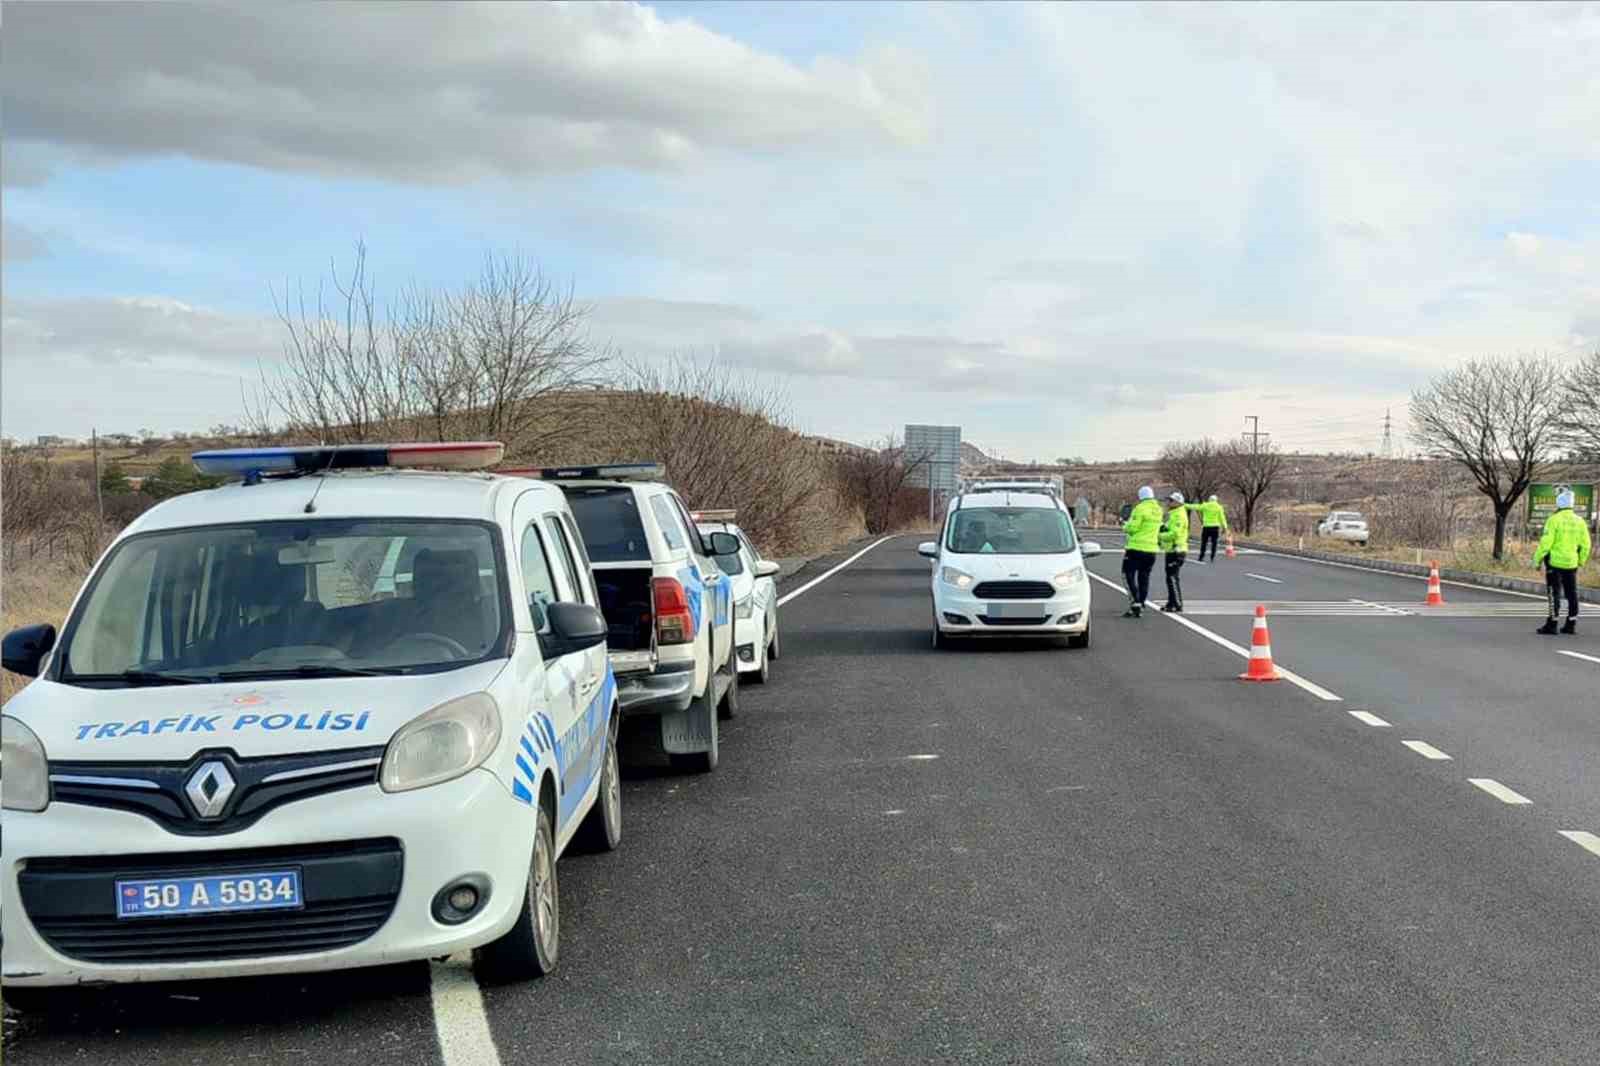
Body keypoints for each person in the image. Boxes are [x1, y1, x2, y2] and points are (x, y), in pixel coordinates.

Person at [1534, 489, 1591, 635]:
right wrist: (1581, 560)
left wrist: (1537, 560)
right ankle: (1571, 624)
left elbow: (1546, 543)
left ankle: (1552, 625)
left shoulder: (1554, 520)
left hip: (1554, 563)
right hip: (1571, 563)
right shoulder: (1580, 522)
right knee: (1572, 593)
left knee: (1554, 593)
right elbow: (1586, 544)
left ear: (1559, 504)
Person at [1121, 486, 1162, 617]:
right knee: (1144, 577)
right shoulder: (1158, 510)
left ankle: (1136, 602)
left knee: (1127, 575)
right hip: (1151, 550)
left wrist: (1125, 525)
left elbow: (1133, 528)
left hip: (1136, 548)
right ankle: (1142, 603)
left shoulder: (1139, 509)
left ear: (1140, 496)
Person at [1158, 491, 1189, 613]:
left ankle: (1177, 603)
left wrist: (1160, 536)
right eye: (1168, 500)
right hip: (1170, 550)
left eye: (1171, 501)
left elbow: (1174, 534)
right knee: (1169, 577)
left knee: (1172, 577)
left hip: (1177, 550)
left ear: (1177, 503)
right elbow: (1168, 528)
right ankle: (1171, 603)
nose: (1168, 503)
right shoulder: (1173, 514)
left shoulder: (1179, 515)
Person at [1188, 493, 1229, 563]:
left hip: (1206, 527)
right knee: (1214, 543)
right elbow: (1222, 518)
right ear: (1216, 500)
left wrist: (1185, 505)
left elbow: (1196, 506)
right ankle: (1212, 556)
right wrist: (1225, 527)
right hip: (1215, 527)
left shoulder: (1206, 505)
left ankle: (1201, 556)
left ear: (1209, 500)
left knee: (1204, 543)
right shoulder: (1219, 507)